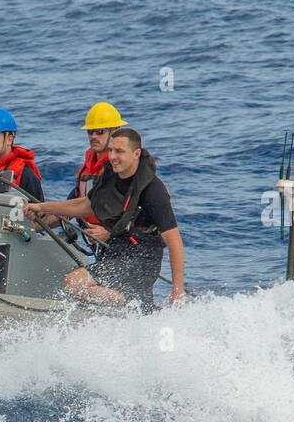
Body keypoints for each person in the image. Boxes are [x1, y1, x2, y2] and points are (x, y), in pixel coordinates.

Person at [24, 128, 185, 309]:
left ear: (136, 153)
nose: (112, 156)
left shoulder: (153, 190)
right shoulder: (111, 176)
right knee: (81, 290)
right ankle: (134, 306)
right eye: (111, 150)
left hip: (142, 259)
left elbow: (174, 242)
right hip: (116, 250)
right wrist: (42, 207)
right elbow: (84, 206)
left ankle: (130, 304)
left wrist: (177, 291)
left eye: (119, 151)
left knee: (74, 283)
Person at [39, 101, 126, 232]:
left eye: (100, 131)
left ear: (116, 131)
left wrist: (109, 232)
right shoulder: (86, 170)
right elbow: (69, 210)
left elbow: (134, 211)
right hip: (97, 243)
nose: (94, 137)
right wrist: (34, 226)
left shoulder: (123, 167)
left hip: (121, 239)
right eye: (90, 132)